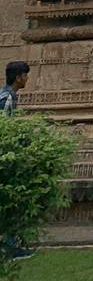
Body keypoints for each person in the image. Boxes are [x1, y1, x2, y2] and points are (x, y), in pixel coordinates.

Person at [1, 62, 35, 262]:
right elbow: (4, 129)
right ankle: (11, 248)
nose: (27, 79)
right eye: (25, 75)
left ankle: (11, 246)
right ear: (18, 77)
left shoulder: (7, 96)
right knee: (12, 203)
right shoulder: (6, 99)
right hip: (5, 157)